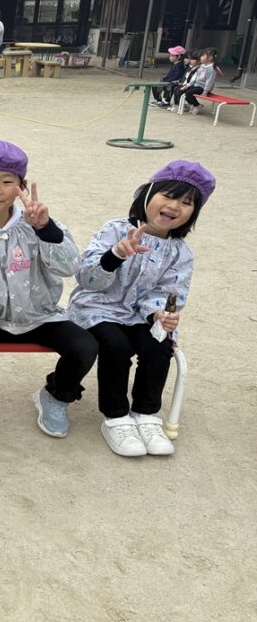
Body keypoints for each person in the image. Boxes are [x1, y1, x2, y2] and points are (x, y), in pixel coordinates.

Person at [0, 140, 98, 438]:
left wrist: (45, 229)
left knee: (85, 346)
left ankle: (56, 395)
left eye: (7, 181)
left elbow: (69, 266)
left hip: (40, 316)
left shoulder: (38, 226)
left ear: (20, 188)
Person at [68, 161, 214, 457]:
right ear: (147, 195)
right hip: (97, 308)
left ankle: (145, 414)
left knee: (159, 344)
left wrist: (158, 313)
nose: (174, 206)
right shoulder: (115, 230)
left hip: (141, 315)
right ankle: (116, 417)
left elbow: (170, 292)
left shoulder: (180, 252)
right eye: (168, 196)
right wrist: (115, 255)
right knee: (115, 345)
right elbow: (86, 277)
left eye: (186, 203)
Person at [180, 47, 217, 115]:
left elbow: (209, 82)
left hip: (203, 88)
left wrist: (205, 92)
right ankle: (194, 104)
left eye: (203, 56)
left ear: (210, 58)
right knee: (183, 91)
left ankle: (197, 105)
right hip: (196, 86)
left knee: (189, 93)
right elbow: (195, 77)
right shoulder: (201, 66)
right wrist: (188, 85)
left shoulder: (211, 69)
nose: (200, 57)